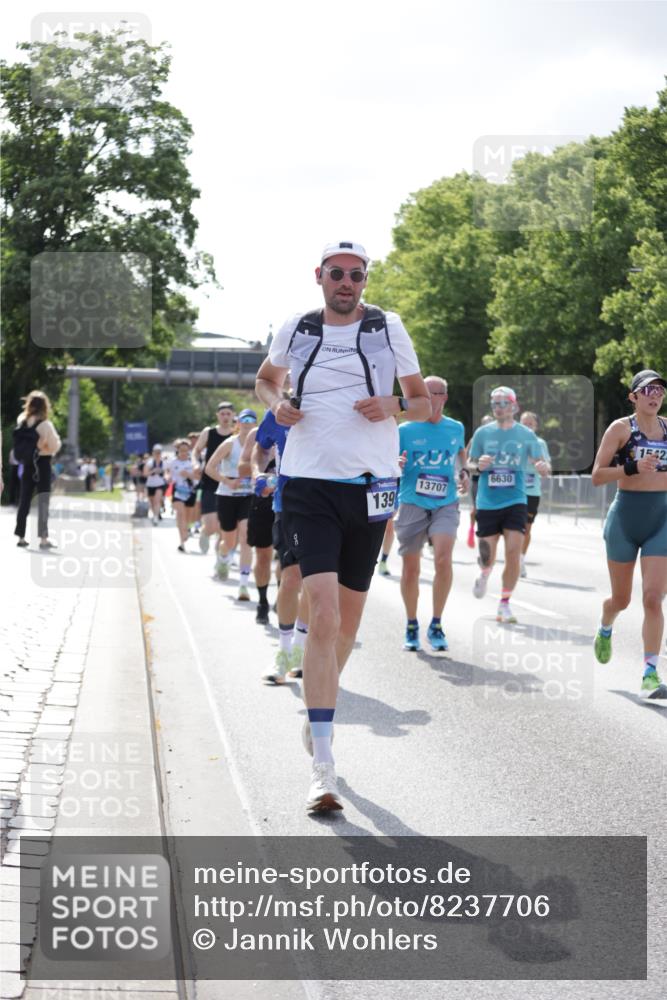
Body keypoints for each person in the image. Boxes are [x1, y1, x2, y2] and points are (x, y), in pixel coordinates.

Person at [255, 240, 429, 813]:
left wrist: (393, 406)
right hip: (309, 484)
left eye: (356, 274)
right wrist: (276, 404)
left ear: (365, 281)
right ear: (320, 276)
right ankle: (323, 768)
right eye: (337, 273)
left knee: (346, 627)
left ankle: (318, 709)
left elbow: (422, 402)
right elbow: (265, 380)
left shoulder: (387, 327)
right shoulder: (297, 326)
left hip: (372, 487)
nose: (347, 282)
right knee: (324, 616)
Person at [591, 369, 667, 702]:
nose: (655, 395)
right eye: (647, 390)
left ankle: (650, 673)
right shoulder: (621, 429)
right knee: (621, 599)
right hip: (625, 519)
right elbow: (596, 476)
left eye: (659, 391)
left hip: (661, 520)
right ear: (633, 397)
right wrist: (631, 468)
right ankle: (606, 624)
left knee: (653, 597)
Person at [395, 375, 468, 652]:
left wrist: (464, 472)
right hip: (412, 502)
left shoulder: (455, 427)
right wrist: (396, 464)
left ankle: (436, 623)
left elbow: (461, 456)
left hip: (445, 502)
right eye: (422, 394)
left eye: (431, 394)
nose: (425, 399)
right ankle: (411, 623)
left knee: (443, 559)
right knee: (410, 569)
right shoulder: (405, 429)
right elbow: (389, 460)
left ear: (443, 397)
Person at [468, 386, 548, 624]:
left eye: (503, 403)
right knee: (487, 556)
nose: (499, 407)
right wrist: (478, 465)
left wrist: (543, 467)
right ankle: (484, 572)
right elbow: (470, 464)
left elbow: (542, 462)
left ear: (514, 406)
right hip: (487, 502)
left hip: (516, 500)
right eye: (495, 403)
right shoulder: (483, 433)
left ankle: (504, 603)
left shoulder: (526, 434)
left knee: (513, 552)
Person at [205, 408, 257, 600]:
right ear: (238, 423)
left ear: (256, 425)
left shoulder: (259, 444)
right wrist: (227, 481)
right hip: (227, 494)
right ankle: (223, 556)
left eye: (251, 420)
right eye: (244, 420)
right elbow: (209, 467)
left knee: (246, 537)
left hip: (248, 495)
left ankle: (243, 585)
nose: (247, 423)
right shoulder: (229, 443)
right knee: (229, 541)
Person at [14, 390, 62, 549]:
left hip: (27, 463)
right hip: (42, 464)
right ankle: (43, 539)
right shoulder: (45, 425)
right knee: (43, 501)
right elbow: (54, 446)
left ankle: (21, 536)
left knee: (24, 500)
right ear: (45, 406)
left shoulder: (22, 420)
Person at [193, 402, 236, 557]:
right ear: (217, 415)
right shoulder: (209, 432)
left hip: (230, 484)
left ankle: (221, 557)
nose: (225, 417)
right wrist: (195, 464)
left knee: (224, 526)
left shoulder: (237, 434)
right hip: (210, 483)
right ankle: (206, 532)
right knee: (212, 526)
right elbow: (196, 451)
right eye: (222, 414)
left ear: (233, 415)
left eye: (228, 414)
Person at [519, 411, 552, 577]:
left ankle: (520, 560)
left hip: (532, 492)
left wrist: (541, 465)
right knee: (511, 528)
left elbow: (548, 468)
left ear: (536, 426)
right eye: (524, 424)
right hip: (512, 491)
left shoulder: (540, 443)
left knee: (526, 528)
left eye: (530, 424)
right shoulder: (511, 442)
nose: (527, 427)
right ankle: (513, 556)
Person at [466, 415, 494, 547]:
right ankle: (472, 531)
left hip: (493, 480)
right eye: (485, 424)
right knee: (477, 509)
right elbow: (467, 460)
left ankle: (488, 538)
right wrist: (477, 467)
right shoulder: (475, 438)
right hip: (477, 479)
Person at [169, 439, 198, 552]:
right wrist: (168, 478)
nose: (184, 453)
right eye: (181, 450)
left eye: (186, 450)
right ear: (178, 451)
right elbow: (168, 474)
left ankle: (186, 530)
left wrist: (189, 475)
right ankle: (182, 542)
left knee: (188, 517)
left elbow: (199, 478)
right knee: (180, 514)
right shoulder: (173, 462)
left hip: (190, 491)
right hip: (178, 491)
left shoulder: (193, 462)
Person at [145, 446, 167, 525]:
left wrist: (166, 476)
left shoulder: (164, 463)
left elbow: (167, 473)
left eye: (159, 453)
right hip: (150, 484)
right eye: (156, 453)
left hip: (160, 484)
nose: (157, 454)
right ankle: (155, 514)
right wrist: (153, 471)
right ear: (153, 453)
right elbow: (145, 473)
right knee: (151, 502)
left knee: (157, 500)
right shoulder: (149, 463)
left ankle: (155, 517)